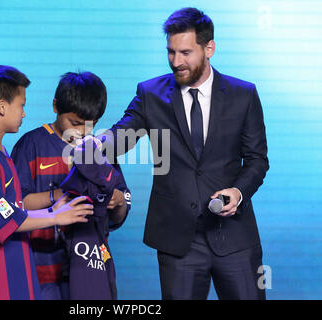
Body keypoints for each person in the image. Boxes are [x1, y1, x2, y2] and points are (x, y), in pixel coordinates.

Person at [103, 7, 269, 300]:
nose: (176, 61)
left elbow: (257, 160)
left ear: (209, 48)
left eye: (185, 52)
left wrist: (238, 191)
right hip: (177, 240)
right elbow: (121, 136)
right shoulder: (150, 93)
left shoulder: (244, 94)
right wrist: (95, 143)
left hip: (235, 237)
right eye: (170, 52)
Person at [0, 65, 93, 300]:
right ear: (1, 107)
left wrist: (51, 210)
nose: (24, 113)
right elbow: (7, 220)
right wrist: (56, 216)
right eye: (22, 105)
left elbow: (12, 211)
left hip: (14, 274)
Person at [11, 71, 131, 299]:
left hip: (91, 267)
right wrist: (62, 195)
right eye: (75, 123)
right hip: (42, 270)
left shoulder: (100, 149)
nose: (82, 132)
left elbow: (121, 208)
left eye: (91, 125)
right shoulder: (31, 145)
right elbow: (17, 204)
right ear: (55, 106)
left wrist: (116, 201)